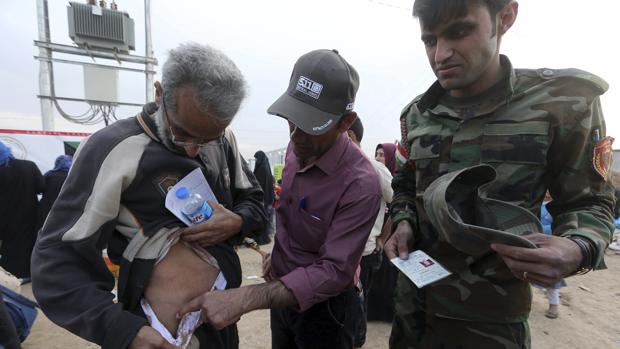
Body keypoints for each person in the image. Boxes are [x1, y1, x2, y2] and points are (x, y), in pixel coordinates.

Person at [384, 1, 615, 348]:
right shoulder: (418, 114)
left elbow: (591, 202)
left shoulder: (563, 103)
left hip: (491, 326)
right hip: (411, 316)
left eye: (459, 32)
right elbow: (404, 183)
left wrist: (577, 248)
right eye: (429, 41)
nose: (441, 55)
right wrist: (403, 219)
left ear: (505, 17)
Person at [31, 43, 267, 349]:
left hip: (219, 323)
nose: (195, 149)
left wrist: (237, 221)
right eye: (183, 133)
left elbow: (254, 202)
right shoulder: (112, 149)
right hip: (152, 335)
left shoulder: (222, 139)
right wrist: (122, 331)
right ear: (159, 94)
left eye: (208, 138)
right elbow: (56, 260)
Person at [178, 49, 382, 349]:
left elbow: (334, 272)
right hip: (282, 299)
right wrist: (278, 255)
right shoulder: (297, 149)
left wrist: (247, 298)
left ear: (345, 122)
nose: (296, 136)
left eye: (312, 126)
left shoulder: (361, 185)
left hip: (328, 312)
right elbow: (288, 213)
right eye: (292, 120)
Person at [346, 117, 393, 348]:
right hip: (335, 256)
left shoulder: (376, 169)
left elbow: (397, 204)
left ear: (351, 136)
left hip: (364, 255)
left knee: (357, 307)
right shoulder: (334, 167)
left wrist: (383, 238)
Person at [0, 141, 44, 279]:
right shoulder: (29, 166)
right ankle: (27, 273)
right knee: (27, 244)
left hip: (4, 216)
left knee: (7, 246)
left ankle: (9, 275)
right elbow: (41, 187)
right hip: (28, 214)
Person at [36, 155, 73, 232]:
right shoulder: (72, 179)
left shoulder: (49, 175)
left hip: (44, 209)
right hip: (61, 212)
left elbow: (39, 189)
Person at [252, 150, 275, 245]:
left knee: (259, 217)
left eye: (256, 158)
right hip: (267, 198)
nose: (256, 160)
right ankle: (264, 237)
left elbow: (256, 182)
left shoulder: (261, 169)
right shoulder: (267, 168)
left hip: (261, 199)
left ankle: (260, 238)